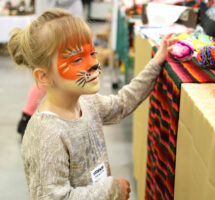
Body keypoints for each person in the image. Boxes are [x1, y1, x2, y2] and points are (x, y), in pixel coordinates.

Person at [8, 8, 177, 199]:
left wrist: (155, 64)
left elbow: (122, 103)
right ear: (44, 76)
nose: (94, 64)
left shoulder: (87, 102)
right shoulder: (46, 134)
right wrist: (111, 189)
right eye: (77, 59)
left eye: (92, 52)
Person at [16, 0, 84, 138]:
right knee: (51, 76)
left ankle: (27, 116)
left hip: (56, 27)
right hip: (59, 29)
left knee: (51, 77)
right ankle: (27, 117)